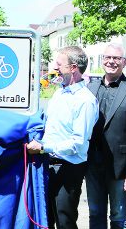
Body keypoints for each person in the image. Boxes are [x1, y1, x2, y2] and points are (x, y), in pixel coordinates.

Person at [26, 46, 99, 229]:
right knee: (46, 217)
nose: (54, 67)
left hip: (69, 167)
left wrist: (43, 147)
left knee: (64, 220)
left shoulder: (85, 100)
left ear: (73, 67)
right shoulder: (59, 93)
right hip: (48, 163)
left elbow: (78, 144)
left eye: (59, 64)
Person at [86, 43, 126, 229]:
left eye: (116, 58)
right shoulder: (90, 88)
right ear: (102, 60)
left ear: (124, 62)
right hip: (92, 164)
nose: (111, 62)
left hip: (120, 169)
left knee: (119, 215)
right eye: (108, 57)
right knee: (95, 212)